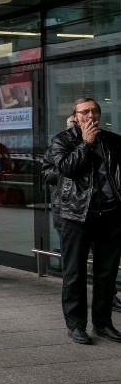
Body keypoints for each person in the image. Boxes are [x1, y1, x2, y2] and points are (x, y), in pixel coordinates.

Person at [42, 97, 121, 345]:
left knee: (106, 274)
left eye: (94, 110)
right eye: (84, 111)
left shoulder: (112, 140)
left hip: (110, 213)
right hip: (76, 214)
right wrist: (85, 145)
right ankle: (76, 325)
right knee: (74, 272)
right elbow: (66, 168)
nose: (90, 115)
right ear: (75, 116)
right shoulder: (62, 140)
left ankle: (103, 323)